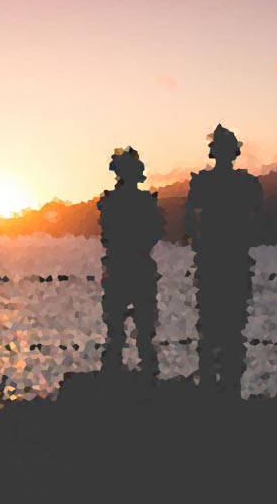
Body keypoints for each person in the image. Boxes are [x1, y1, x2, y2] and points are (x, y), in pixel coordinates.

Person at [185, 125, 263, 397]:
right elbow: (257, 220)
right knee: (230, 328)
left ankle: (214, 385)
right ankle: (228, 387)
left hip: (216, 260)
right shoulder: (246, 184)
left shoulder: (203, 183)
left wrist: (200, 241)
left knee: (212, 327)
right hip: (231, 259)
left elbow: (189, 220)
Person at [97, 147, 165, 382]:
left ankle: (117, 373)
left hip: (121, 266)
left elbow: (106, 235)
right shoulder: (144, 202)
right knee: (139, 328)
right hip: (136, 266)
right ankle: (145, 374)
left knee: (120, 328)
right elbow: (154, 232)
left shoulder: (111, 202)